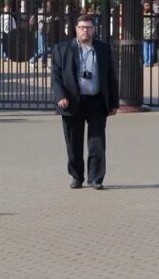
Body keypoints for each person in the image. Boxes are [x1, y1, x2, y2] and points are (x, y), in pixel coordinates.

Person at [51, 15, 119, 190]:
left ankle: (96, 178)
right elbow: (56, 77)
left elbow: (111, 76)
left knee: (97, 142)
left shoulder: (103, 49)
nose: (85, 31)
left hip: (96, 100)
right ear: (76, 29)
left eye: (88, 27)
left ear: (94, 29)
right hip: (72, 102)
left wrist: (113, 103)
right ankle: (77, 176)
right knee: (73, 142)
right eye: (82, 27)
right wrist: (60, 97)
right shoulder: (62, 49)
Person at [142, 2, 159, 67]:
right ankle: (150, 62)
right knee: (151, 48)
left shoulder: (143, 15)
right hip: (152, 33)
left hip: (145, 34)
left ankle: (146, 62)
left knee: (145, 48)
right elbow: (157, 22)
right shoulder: (154, 15)